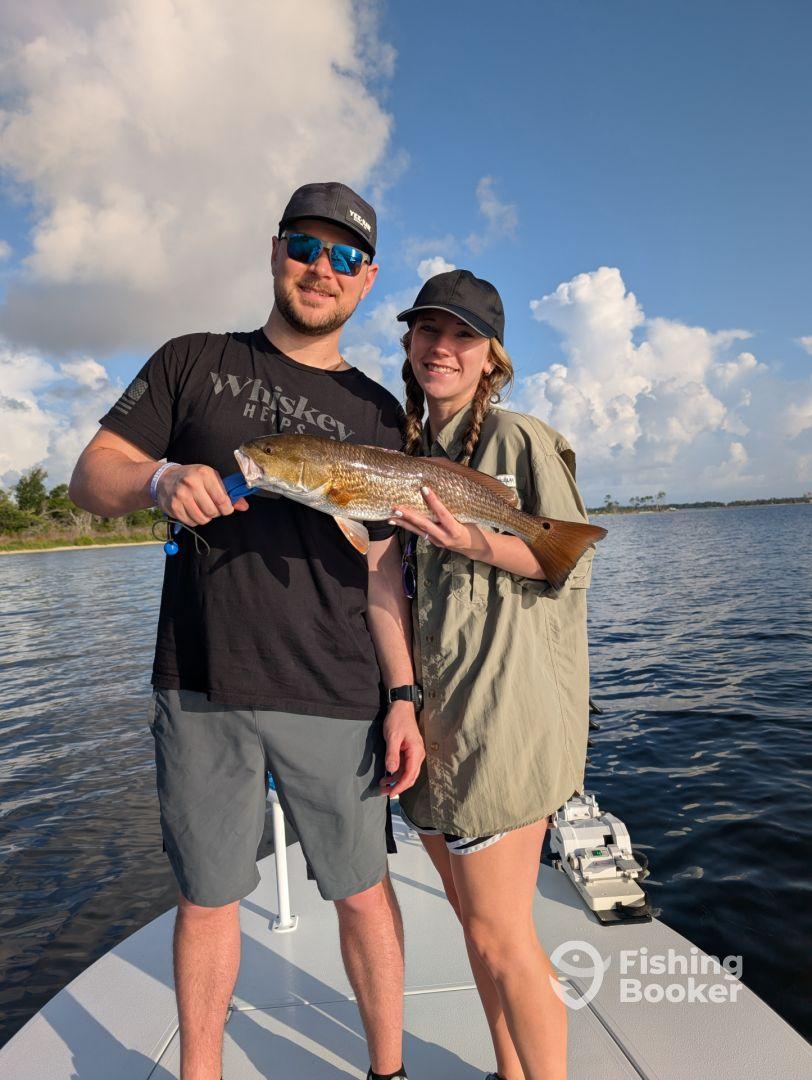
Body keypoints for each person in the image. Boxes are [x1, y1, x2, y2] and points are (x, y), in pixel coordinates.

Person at [69, 182, 423, 1080]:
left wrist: (406, 695)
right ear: (275, 252)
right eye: (307, 247)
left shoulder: (384, 411)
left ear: (368, 280)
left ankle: (389, 1071)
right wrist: (157, 481)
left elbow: (383, 562)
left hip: (337, 682)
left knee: (363, 893)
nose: (321, 269)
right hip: (201, 680)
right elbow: (92, 474)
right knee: (207, 896)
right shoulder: (193, 360)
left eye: (345, 257)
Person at [390, 270, 597, 1080]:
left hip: (504, 718)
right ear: (408, 345)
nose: (442, 348)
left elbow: (567, 563)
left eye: (462, 337)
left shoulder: (519, 440)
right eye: (428, 332)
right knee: (476, 932)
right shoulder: (403, 453)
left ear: (491, 359)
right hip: (436, 722)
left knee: (504, 939)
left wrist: (474, 541)